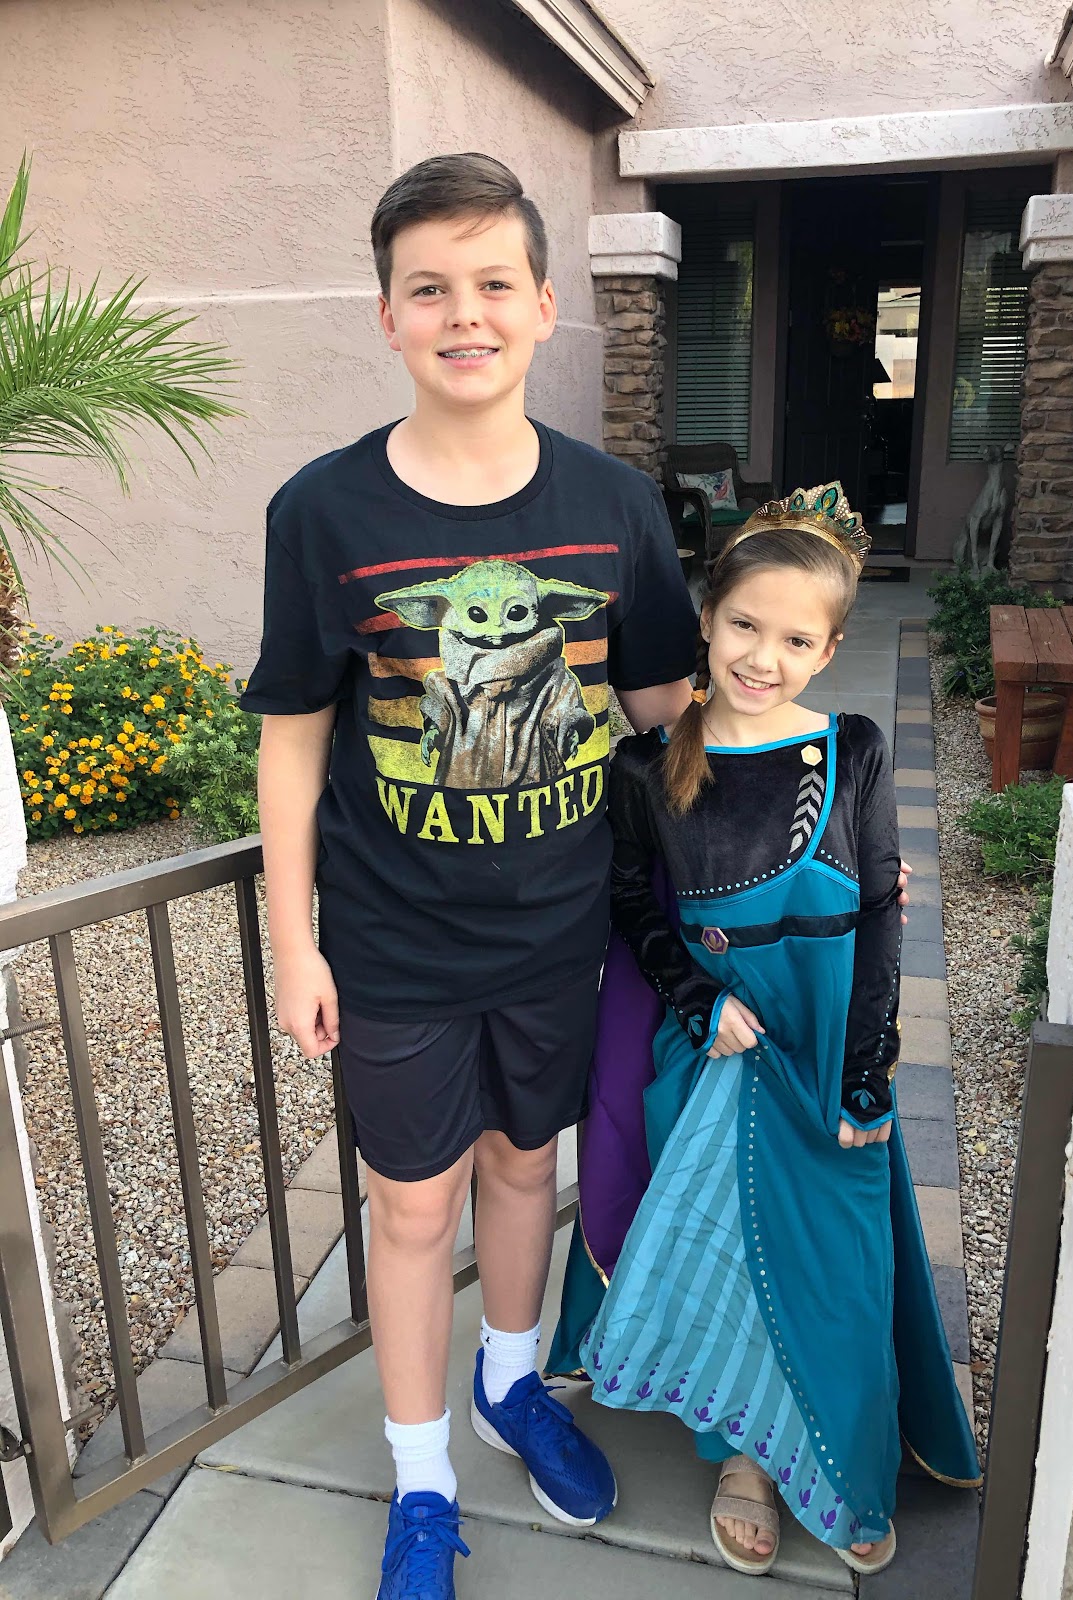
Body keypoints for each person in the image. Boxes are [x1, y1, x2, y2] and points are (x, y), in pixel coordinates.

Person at [239, 153, 703, 1600]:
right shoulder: (323, 514)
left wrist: (819, 777)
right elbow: (291, 745)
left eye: (494, 284)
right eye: (429, 289)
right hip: (394, 945)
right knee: (411, 1207)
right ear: (387, 315)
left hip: (562, 933)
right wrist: (297, 944)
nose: (465, 314)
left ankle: (513, 1385)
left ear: (544, 305)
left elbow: (673, 712)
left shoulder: (616, 505)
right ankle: (423, 1477)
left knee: (524, 1167)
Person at [549, 485, 981, 1578]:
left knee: (838, 1257)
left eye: (795, 639)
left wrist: (868, 1072)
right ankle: (745, 1459)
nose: (763, 656)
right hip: (721, 1049)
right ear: (707, 620)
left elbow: (879, 911)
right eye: (744, 624)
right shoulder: (649, 765)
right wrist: (696, 1002)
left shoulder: (854, 749)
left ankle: (850, 1455)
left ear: (830, 648)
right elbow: (634, 903)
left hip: (828, 1043)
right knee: (738, 1255)